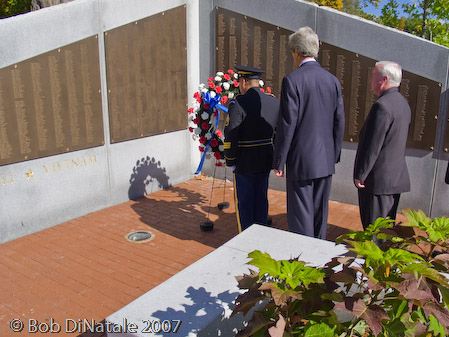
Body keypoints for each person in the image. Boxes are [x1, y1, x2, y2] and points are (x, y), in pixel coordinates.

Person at [272, 27, 345, 240]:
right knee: (319, 216)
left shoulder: (292, 80)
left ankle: (303, 261)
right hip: (325, 160)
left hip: (301, 160)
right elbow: (339, 121)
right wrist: (334, 153)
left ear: (296, 51)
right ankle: (318, 261)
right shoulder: (332, 80)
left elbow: (287, 124)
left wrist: (279, 161)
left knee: (301, 217)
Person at [353, 61, 411, 230]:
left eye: (373, 75)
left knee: (374, 231)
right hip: (394, 179)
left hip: (378, 181)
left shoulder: (382, 106)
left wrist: (361, 174)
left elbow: (373, 145)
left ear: (383, 79)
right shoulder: (402, 103)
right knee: (386, 229)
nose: (370, 79)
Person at [224, 65, 279, 232]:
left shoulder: (238, 102)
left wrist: (230, 158)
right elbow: (278, 132)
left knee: (246, 203)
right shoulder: (273, 101)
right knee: (261, 198)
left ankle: (246, 240)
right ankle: (260, 233)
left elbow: (231, 133)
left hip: (245, 161)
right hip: (265, 159)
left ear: (243, 81)